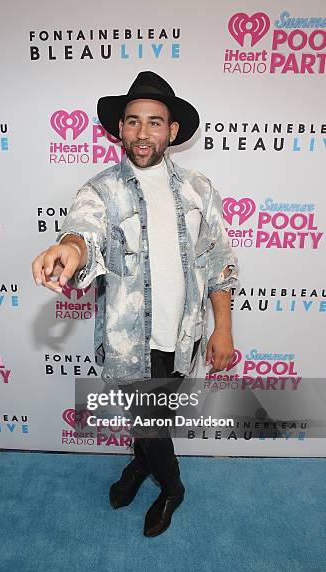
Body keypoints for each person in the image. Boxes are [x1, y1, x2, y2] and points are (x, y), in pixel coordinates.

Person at [32, 71, 239, 537]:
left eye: (154, 122)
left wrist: (222, 327)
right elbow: (83, 230)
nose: (142, 133)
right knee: (147, 420)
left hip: (182, 336)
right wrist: (70, 248)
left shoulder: (199, 190)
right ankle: (167, 482)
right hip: (128, 342)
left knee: (150, 421)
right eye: (132, 122)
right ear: (119, 129)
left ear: (173, 131)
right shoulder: (100, 190)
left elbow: (220, 263)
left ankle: (151, 474)